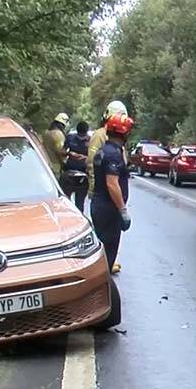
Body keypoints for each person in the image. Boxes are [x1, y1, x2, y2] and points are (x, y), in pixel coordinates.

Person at [88, 100, 128, 273]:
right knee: (108, 250)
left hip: (100, 204)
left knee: (103, 247)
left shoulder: (105, 149)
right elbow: (112, 184)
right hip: (108, 207)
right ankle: (103, 290)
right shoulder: (111, 153)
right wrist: (123, 210)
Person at [63, 121, 90, 212]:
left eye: (83, 135)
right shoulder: (70, 138)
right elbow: (62, 151)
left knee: (80, 203)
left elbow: (94, 156)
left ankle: (79, 217)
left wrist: (85, 157)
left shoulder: (90, 141)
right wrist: (69, 153)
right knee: (66, 200)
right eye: (80, 134)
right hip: (69, 173)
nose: (81, 137)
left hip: (83, 175)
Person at [43, 113, 69, 178]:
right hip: (55, 167)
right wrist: (64, 164)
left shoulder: (46, 132)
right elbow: (60, 152)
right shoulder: (58, 134)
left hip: (45, 163)